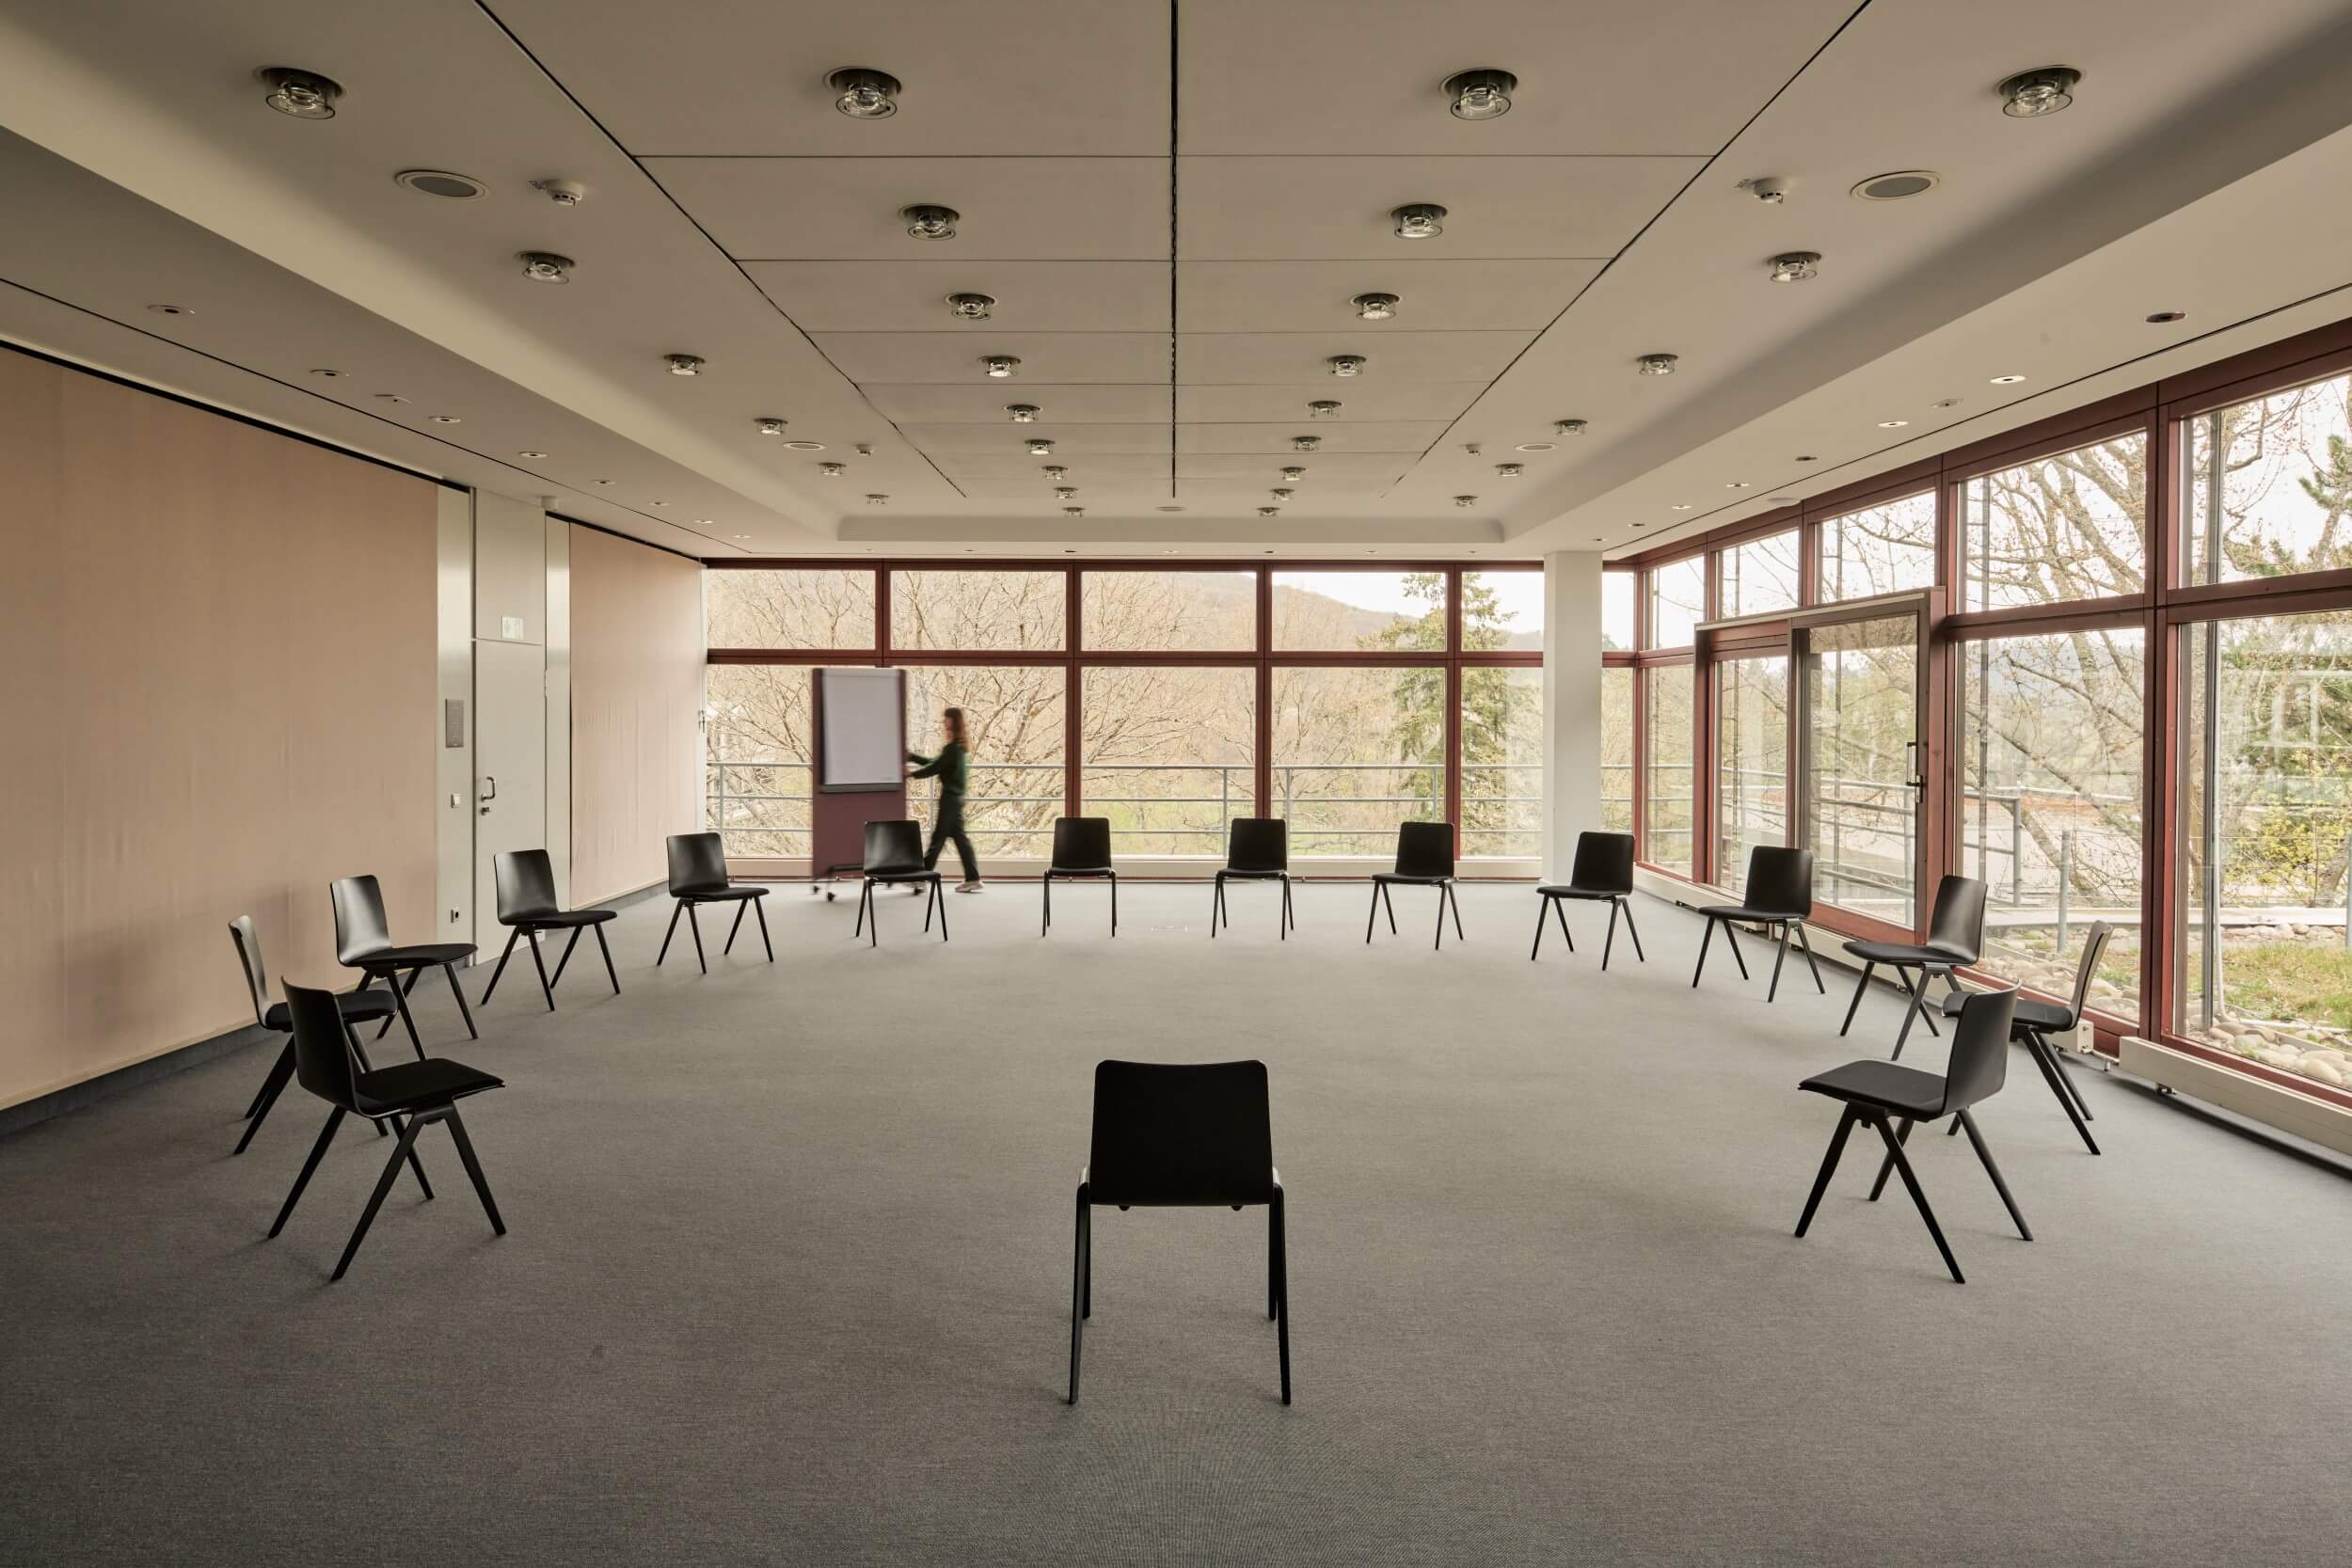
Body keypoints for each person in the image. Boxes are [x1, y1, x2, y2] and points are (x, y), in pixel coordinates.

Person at [907, 706, 982, 893]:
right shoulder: (958, 748)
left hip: (950, 799)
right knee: (960, 840)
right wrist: (913, 757)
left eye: (946, 719)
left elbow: (934, 767)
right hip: (956, 799)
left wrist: (911, 774)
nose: (943, 722)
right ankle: (973, 878)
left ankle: (921, 877)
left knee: (938, 838)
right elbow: (937, 763)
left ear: (953, 721)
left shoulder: (952, 749)